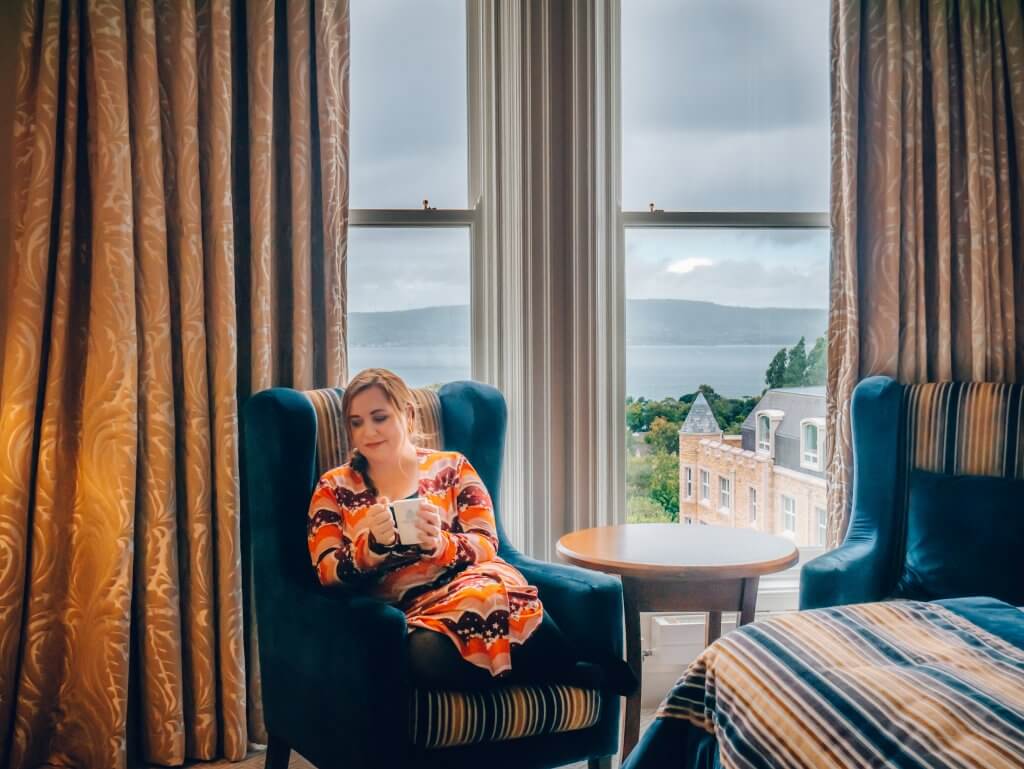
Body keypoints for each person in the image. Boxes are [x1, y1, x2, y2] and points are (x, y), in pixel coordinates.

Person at [307, 367, 636, 693]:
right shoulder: (334, 488)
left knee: (492, 597)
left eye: (380, 417)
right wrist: (372, 548)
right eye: (356, 422)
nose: (368, 432)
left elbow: (486, 542)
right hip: (411, 610)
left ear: (407, 415)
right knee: (424, 656)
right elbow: (327, 570)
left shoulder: (451, 467)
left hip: (470, 583)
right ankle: (564, 671)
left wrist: (441, 544)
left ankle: (547, 662)